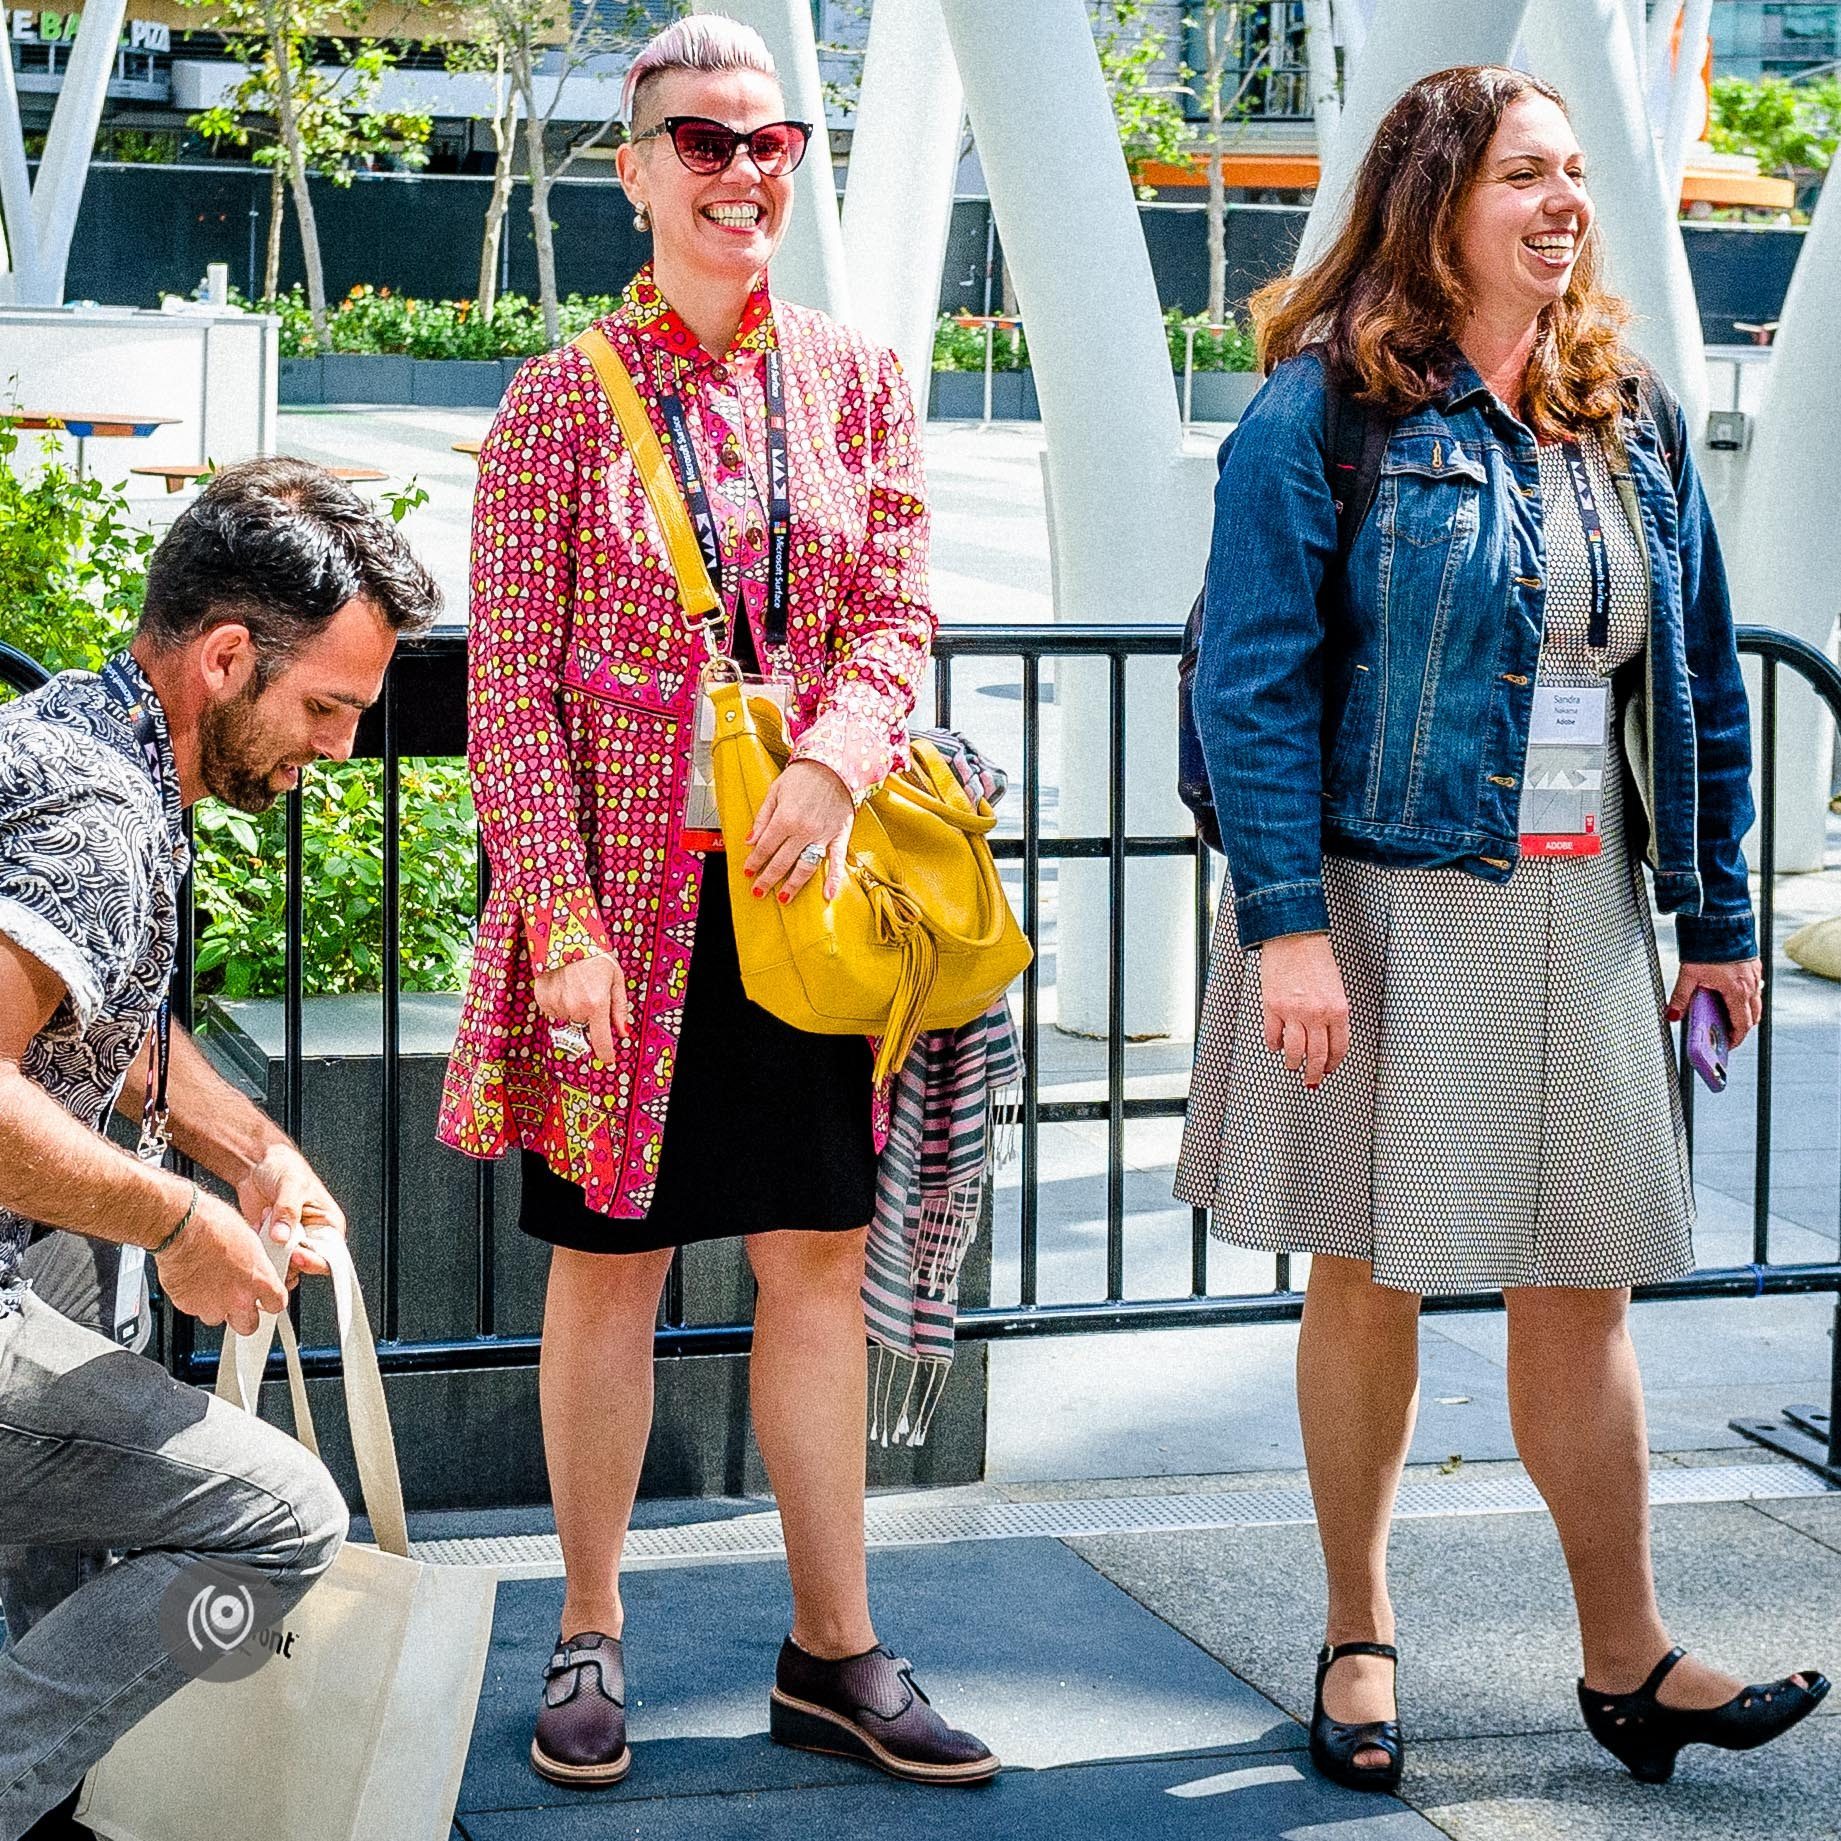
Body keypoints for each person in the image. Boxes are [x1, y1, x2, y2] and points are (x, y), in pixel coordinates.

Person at [1177, 65, 1828, 1794]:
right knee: (1368, 1268)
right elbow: (1246, 686)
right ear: (1432, 204)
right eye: (1521, 176)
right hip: (1381, 899)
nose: (1562, 203)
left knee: (1583, 1278)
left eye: (1570, 176)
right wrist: (1288, 926)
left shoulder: (1630, 410)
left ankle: (1627, 1660)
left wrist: (1716, 914)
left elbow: (1694, 680)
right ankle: (1355, 1627)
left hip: (1582, 907)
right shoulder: (1320, 413)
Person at [438, 13, 997, 1792]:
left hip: (802, 905)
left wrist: (835, 756)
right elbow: (509, 690)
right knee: (610, 1265)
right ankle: (588, 1623)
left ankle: (833, 1644)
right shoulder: (552, 399)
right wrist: (560, 926)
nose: (744, 173)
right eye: (705, 142)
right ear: (633, 167)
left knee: (813, 1257)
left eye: (774, 145)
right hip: (626, 924)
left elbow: (893, 613)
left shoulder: (848, 373)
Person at [0, 458, 442, 1840]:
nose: (337, 749)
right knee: (281, 1522)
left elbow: (105, 1021)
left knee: (71, 1487)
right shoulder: (105, 819)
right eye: (324, 708)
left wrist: (253, 1154)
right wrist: (184, 1227)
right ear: (227, 655)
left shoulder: (75, 727)